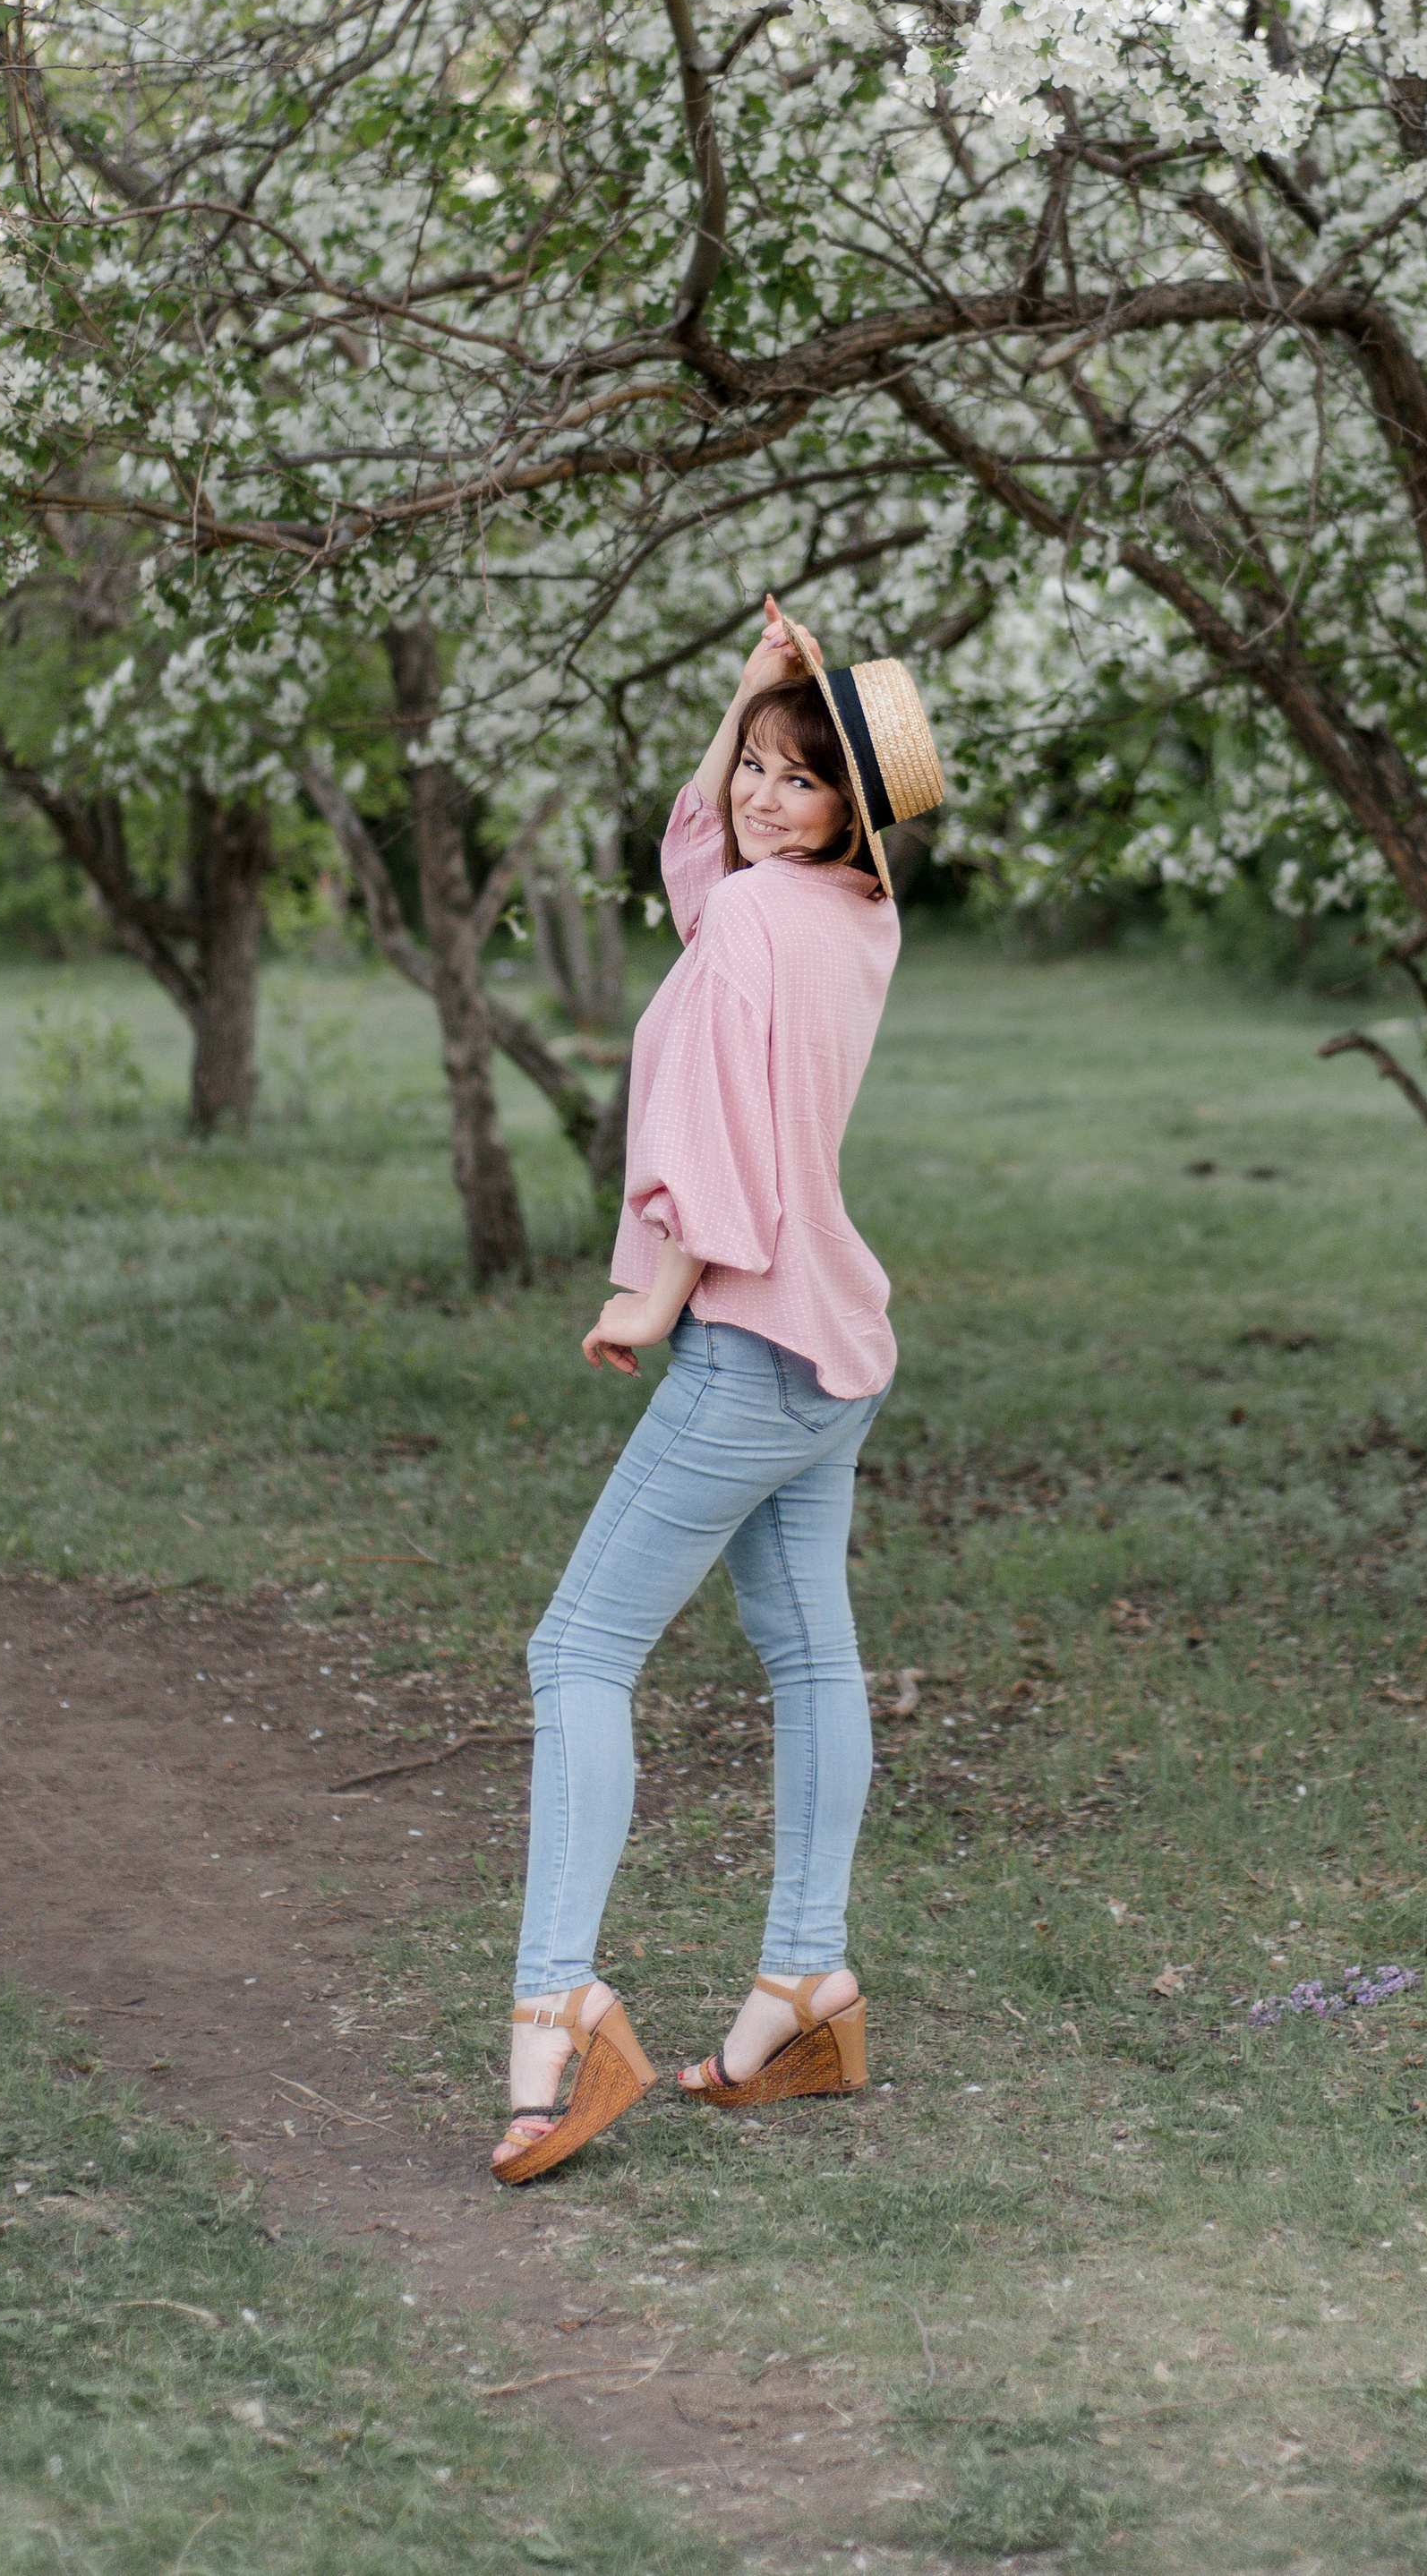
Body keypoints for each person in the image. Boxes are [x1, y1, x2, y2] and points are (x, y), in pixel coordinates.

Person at [491, 595, 944, 2185]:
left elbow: (704, 1117)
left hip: (750, 1337)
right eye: (753, 764)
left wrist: (655, 1288)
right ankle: (803, 1988)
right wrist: (757, 693)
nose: (756, 794)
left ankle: (559, 2011)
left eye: (796, 777)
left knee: (577, 1653)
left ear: (850, 815)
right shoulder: (849, 921)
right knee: (808, 1651)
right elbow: (712, 870)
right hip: (836, 1346)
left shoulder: (754, 925)